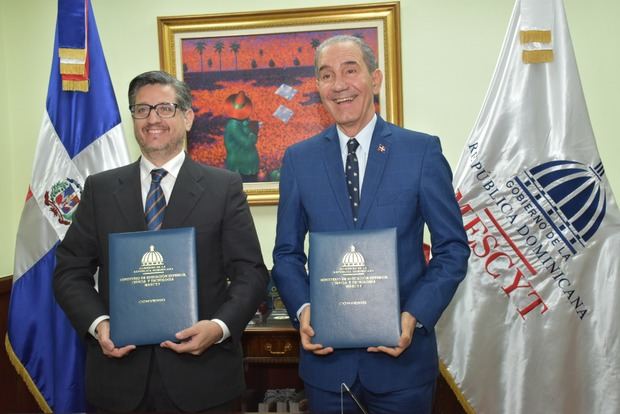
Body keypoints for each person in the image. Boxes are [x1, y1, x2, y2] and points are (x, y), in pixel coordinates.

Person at [271, 35, 470, 414]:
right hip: (327, 367)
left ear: (375, 79)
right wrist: (302, 309)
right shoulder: (299, 160)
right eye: (327, 75)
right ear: (318, 88)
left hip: (403, 364)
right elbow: (286, 253)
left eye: (351, 70)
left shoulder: (421, 150)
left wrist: (415, 315)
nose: (339, 84)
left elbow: (452, 248)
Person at [53, 70, 269, 413]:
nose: (153, 118)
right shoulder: (100, 189)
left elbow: (251, 273)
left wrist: (219, 327)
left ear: (187, 117)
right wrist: (99, 325)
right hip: (118, 380)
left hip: (205, 380)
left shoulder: (222, 187)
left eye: (165, 108)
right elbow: (69, 271)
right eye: (142, 109)